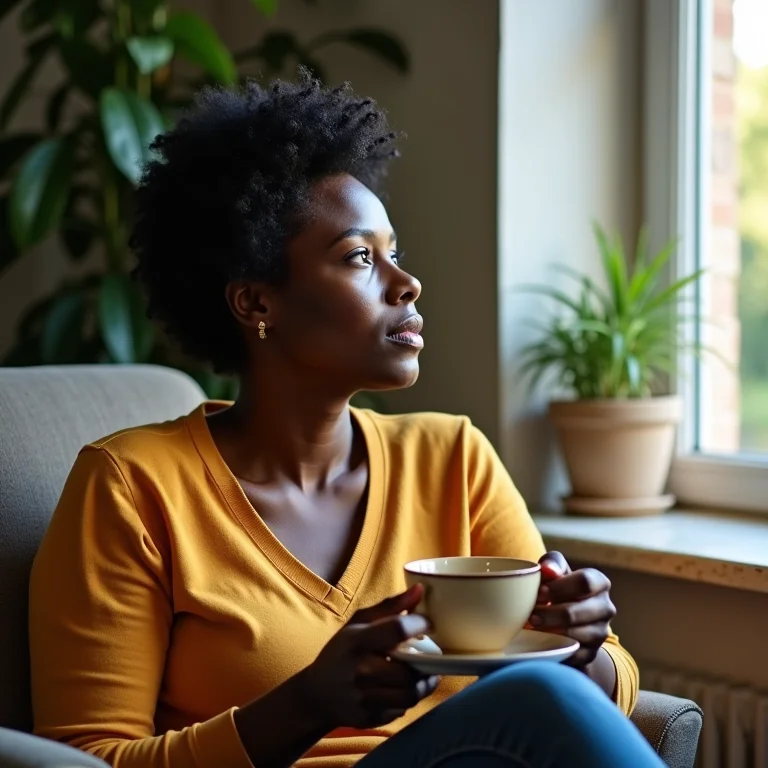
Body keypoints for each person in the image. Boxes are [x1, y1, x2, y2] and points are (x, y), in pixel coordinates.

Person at [29, 75, 663, 768]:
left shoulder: (452, 457)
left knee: (540, 690)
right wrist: (305, 705)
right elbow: (86, 758)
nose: (405, 283)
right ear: (255, 303)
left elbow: (606, 691)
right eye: (361, 257)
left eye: (396, 252)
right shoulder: (133, 487)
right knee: (532, 698)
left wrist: (583, 645)